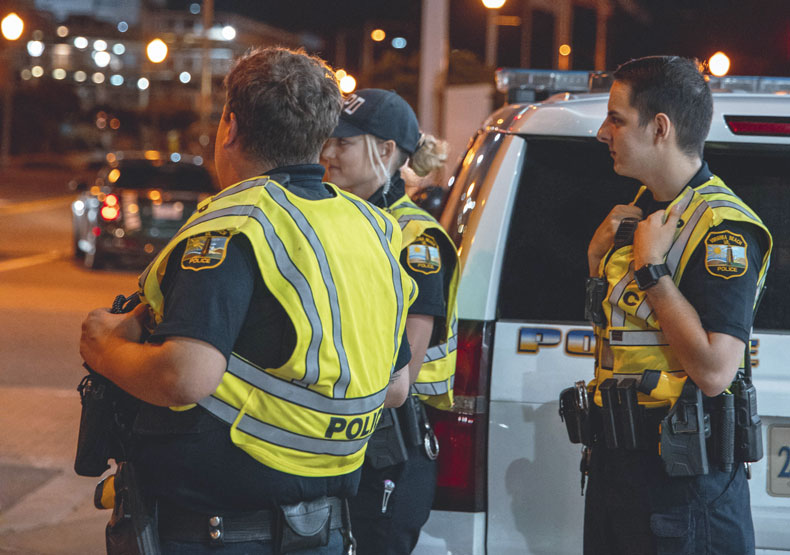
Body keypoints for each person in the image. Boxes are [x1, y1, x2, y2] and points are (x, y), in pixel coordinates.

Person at [79, 47, 416, 554]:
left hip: (220, 533)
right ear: (320, 139)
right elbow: (395, 387)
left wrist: (103, 347)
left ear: (230, 127)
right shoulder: (373, 227)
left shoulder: (237, 223)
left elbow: (186, 375)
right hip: (324, 529)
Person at [581, 55, 772, 554]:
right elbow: (628, 338)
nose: (604, 133)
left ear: (660, 127)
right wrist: (596, 264)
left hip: (684, 488)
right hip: (621, 474)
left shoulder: (722, 228)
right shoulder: (642, 212)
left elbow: (714, 371)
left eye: (616, 119)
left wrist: (652, 273)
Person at [320, 89, 459, 554]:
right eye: (328, 140)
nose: (328, 152)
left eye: (343, 142)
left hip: (389, 449)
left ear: (385, 150)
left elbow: (403, 380)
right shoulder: (335, 221)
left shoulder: (416, 239)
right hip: (340, 439)